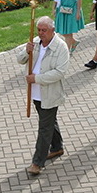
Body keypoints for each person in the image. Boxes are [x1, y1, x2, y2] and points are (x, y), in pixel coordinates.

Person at [16, 16, 69, 175]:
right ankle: (57, 147)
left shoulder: (61, 47)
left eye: (44, 30)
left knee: (44, 127)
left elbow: (60, 72)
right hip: (35, 93)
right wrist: (26, 51)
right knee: (48, 121)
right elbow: (20, 60)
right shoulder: (36, 42)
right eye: (39, 30)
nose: (40, 33)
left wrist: (37, 79)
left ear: (52, 30)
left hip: (50, 94)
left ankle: (37, 162)